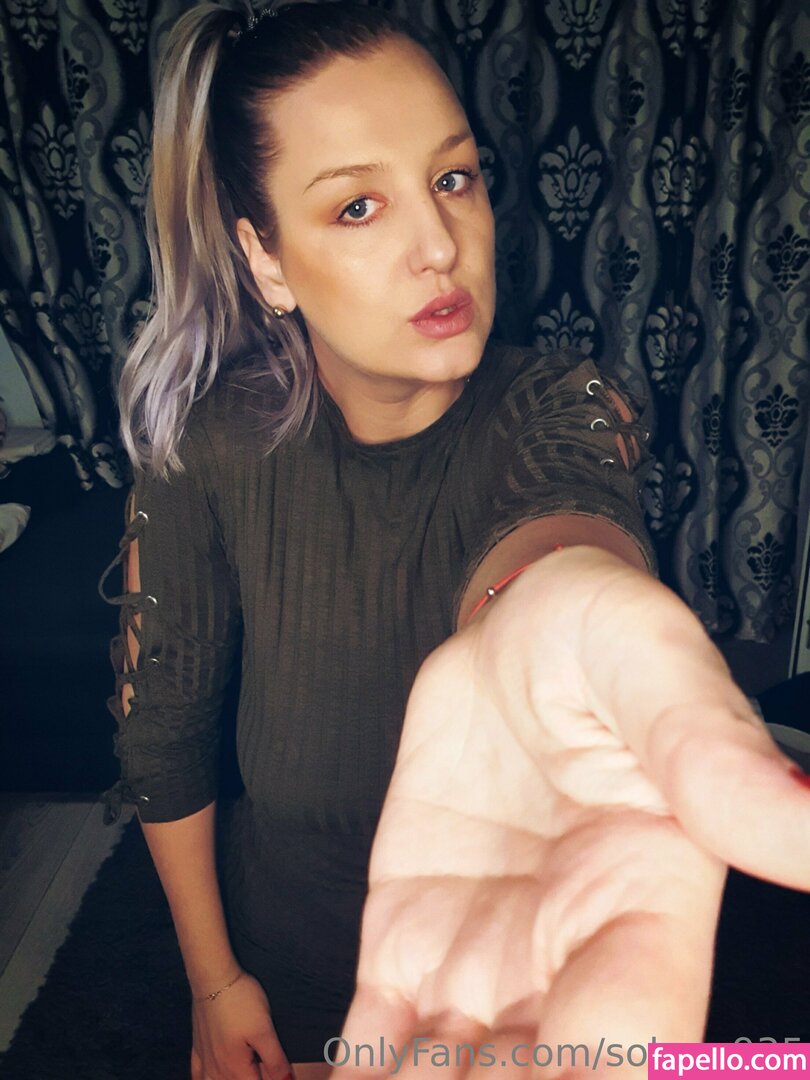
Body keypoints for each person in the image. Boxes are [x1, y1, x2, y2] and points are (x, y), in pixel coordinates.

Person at [98, 2, 810, 1078]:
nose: (439, 245)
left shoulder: (564, 405)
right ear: (265, 260)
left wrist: (553, 614)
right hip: (285, 972)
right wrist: (215, 981)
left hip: (523, 984)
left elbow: (560, 534)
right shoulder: (210, 448)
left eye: (453, 178)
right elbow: (165, 728)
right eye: (358, 207)